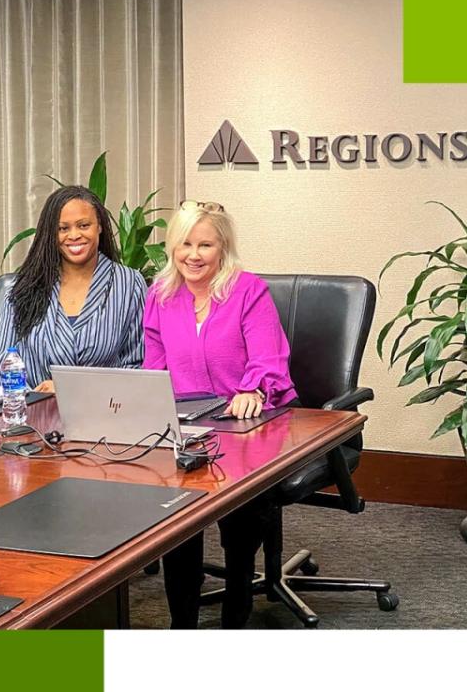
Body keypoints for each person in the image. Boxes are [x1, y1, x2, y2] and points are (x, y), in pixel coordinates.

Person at [142, 200, 298, 629]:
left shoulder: (248, 290)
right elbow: (153, 367)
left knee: (240, 509)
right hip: (187, 424)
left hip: (245, 422)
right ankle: (182, 625)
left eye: (205, 245)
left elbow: (268, 358)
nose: (194, 255)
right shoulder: (160, 295)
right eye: (185, 244)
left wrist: (253, 389)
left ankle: (235, 618)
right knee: (176, 514)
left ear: (222, 247)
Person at [0, 185, 147, 391]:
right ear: (51, 233)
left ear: (99, 226)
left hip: (104, 413)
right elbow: (2, 360)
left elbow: (137, 366)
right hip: (33, 413)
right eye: (63, 228)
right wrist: (33, 401)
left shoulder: (129, 284)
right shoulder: (23, 287)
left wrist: (69, 389)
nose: (74, 235)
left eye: (83, 225)